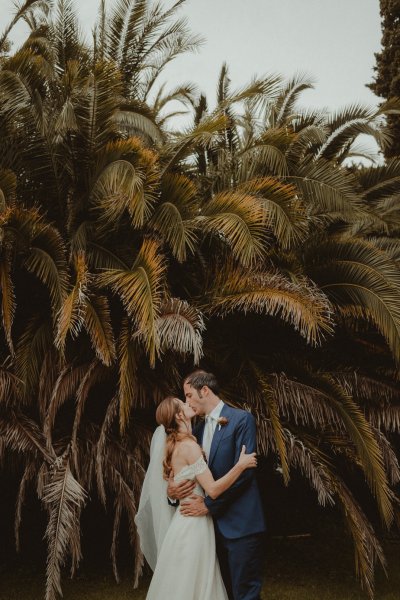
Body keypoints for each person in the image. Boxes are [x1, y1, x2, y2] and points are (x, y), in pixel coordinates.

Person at [135, 395, 258, 600]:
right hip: (194, 525)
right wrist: (241, 465)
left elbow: (174, 480)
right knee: (194, 583)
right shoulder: (189, 446)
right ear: (179, 415)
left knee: (184, 583)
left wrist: (172, 489)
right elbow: (213, 489)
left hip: (183, 522)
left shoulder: (175, 445)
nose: (187, 402)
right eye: (183, 402)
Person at [167, 370, 266, 600]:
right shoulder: (196, 433)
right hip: (208, 532)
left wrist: (209, 505)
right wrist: (172, 493)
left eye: (189, 395)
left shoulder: (242, 420)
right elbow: (186, 473)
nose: (187, 401)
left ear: (205, 390)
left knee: (245, 593)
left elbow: (244, 475)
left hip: (241, 526)